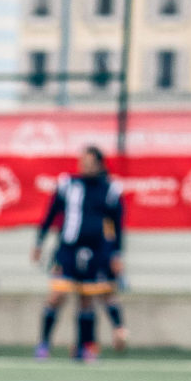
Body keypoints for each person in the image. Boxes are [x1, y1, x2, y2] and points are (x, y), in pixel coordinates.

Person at [32, 146, 124, 362]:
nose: (85, 167)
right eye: (83, 162)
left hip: (96, 251)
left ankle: (84, 347)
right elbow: (51, 213)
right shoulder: (68, 185)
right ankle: (44, 343)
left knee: (87, 298)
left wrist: (117, 254)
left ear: (100, 165)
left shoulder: (110, 190)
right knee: (57, 295)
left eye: (90, 163)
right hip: (67, 249)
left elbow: (117, 226)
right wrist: (39, 242)